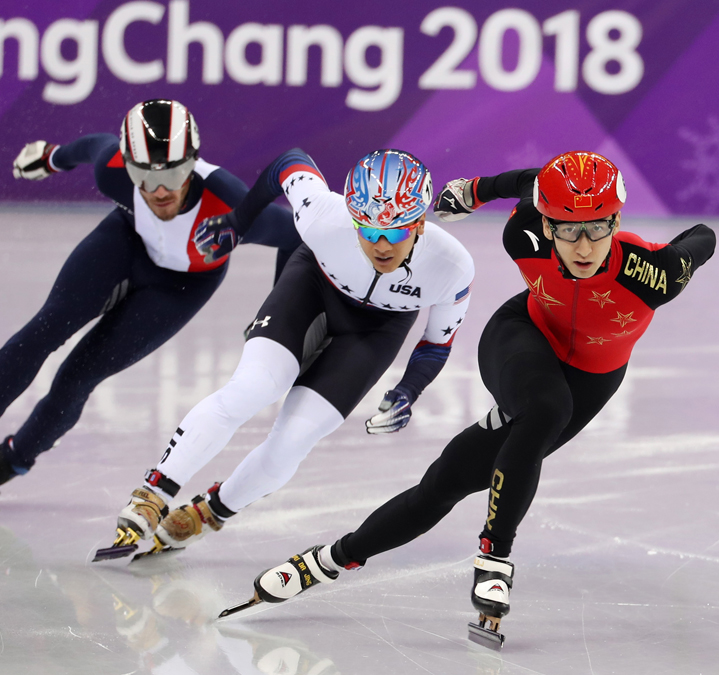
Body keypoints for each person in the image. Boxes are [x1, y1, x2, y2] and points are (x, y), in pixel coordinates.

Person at [229, 151, 717, 647]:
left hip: (592, 378)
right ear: (546, 226)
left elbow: (704, 238)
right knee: (547, 409)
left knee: (446, 482)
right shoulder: (522, 234)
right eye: (568, 230)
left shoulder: (653, 274)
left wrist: (675, 251)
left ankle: (326, 560)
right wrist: (476, 191)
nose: (583, 245)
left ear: (615, 220)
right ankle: (494, 557)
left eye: (597, 228)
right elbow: (533, 182)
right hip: (521, 337)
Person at [96, 147, 475, 560]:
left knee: (293, 441)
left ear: (419, 223)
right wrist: (238, 223)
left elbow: (437, 344)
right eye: (367, 230)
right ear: (351, 217)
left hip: (377, 330)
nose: (381, 246)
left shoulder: (452, 266)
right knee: (254, 388)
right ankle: (152, 494)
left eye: (395, 232)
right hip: (311, 289)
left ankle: (210, 512)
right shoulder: (323, 213)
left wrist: (409, 390)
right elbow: (287, 162)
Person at [0, 99, 301, 505]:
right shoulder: (113, 172)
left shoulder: (231, 207)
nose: (159, 190)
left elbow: (297, 235)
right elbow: (95, 146)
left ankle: (12, 459)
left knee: (77, 376)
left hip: (181, 287)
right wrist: (53, 158)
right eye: (144, 174)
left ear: (192, 163)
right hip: (123, 242)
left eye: (173, 174)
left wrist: (275, 313)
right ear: (128, 166)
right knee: (45, 329)